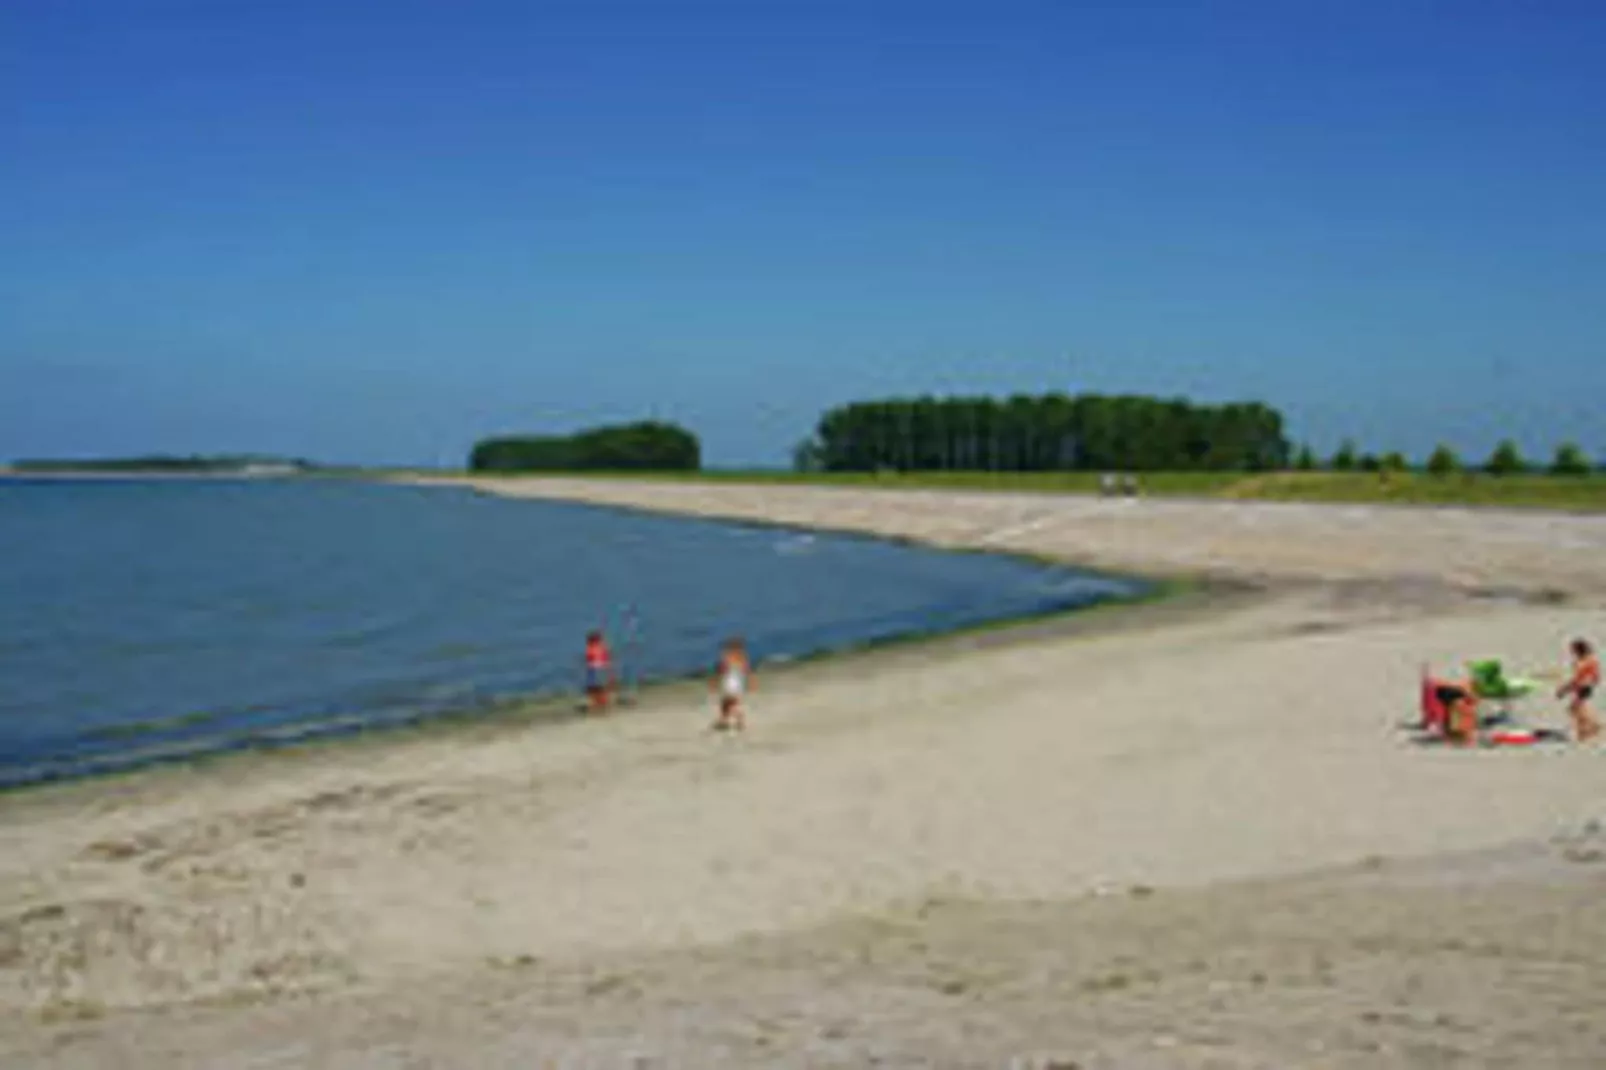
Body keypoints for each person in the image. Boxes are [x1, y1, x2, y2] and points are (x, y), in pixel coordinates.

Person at [1557, 637, 1601, 742]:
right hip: (1585, 685)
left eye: (1573, 650)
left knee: (1576, 709)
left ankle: (1590, 728)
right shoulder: (1589, 660)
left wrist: (1565, 689)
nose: (1572, 652)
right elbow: (1595, 675)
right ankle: (1586, 730)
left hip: (1583, 686)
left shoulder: (1584, 661)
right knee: (1577, 709)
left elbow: (1578, 677)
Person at [710, 636, 753, 732]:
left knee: (729, 703)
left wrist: (714, 680)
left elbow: (721, 669)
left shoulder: (727, 657)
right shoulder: (743, 657)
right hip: (738, 681)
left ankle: (739, 721)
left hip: (730, 680)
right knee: (727, 702)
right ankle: (723, 721)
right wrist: (750, 681)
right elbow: (747, 670)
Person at [583, 630, 614, 713]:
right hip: (602, 669)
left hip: (595, 670)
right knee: (600, 689)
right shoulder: (602, 647)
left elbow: (588, 661)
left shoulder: (591, 648)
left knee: (594, 689)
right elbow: (607, 659)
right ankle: (602, 706)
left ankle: (598, 706)